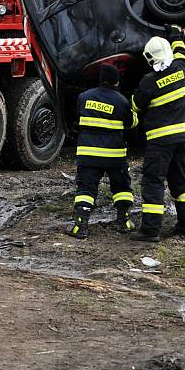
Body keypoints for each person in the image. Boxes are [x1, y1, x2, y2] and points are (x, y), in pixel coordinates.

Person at [130, 25, 185, 243]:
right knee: (181, 182)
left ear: (150, 59)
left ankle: (150, 231)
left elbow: (136, 106)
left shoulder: (148, 82)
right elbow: (181, 49)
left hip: (160, 141)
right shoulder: (182, 67)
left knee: (154, 182)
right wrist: (175, 32)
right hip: (182, 137)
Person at [67, 64, 134, 239]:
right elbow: (131, 123)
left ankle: (80, 227)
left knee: (86, 189)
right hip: (114, 156)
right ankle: (124, 222)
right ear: (117, 81)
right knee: (121, 188)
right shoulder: (121, 101)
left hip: (88, 155)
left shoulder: (83, 97)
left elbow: (76, 118)